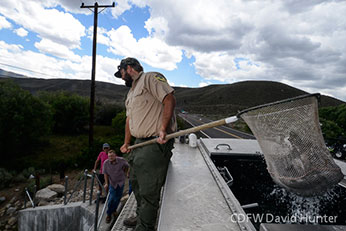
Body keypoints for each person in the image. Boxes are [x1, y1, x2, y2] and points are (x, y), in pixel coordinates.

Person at [114, 57, 176, 231]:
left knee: (149, 191)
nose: (121, 77)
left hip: (154, 143)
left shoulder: (151, 78)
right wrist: (126, 143)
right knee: (137, 184)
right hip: (138, 144)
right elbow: (129, 120)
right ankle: (141, 216)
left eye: (121, 73)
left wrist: (163, 128)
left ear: (129, 68)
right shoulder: (131, 92)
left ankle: (145, 227)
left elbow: (169, 99)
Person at [103, 149, 129, 223]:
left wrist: (126, 173)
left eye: (112, 156)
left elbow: (127, 165)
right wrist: (106, 183)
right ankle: (109, 214)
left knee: (117, 198)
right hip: (112, 183)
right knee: (111, 198)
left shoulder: (121, 160)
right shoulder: (106, 163)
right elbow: (105, 174)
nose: (110, 157)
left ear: (115, 155)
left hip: (121, 182)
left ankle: (114, 210)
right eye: (109, 156)